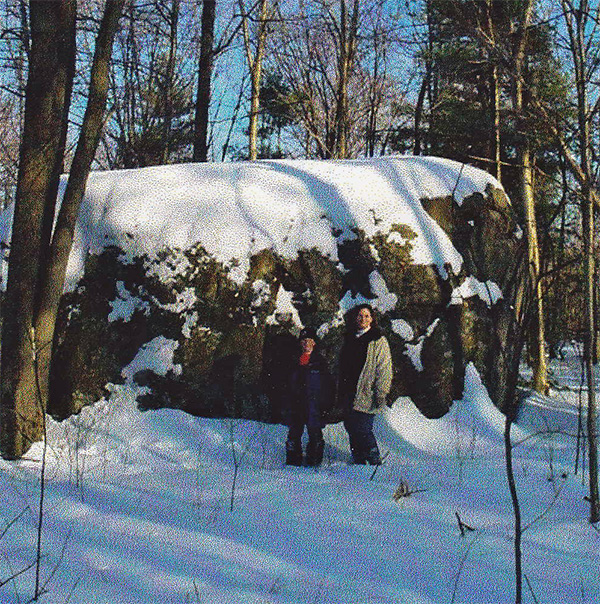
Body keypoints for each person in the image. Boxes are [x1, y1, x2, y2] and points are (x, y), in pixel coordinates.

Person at [338, 304, 393, 465]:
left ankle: (374, 460)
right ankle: (359, 461)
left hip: (367, 391)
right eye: (360, 316)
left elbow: (384, 368)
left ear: (372, 319)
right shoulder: (350, 338)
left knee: (363, 428)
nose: (363, 319)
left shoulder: (378, 340)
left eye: (367, 316)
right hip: (349, 390)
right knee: (350, 426)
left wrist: (381, 392)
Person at [284, 328, 332, 467]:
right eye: (304, 341)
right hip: (296, 404)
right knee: (293, 435)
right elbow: (286, 385)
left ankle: (314, 465)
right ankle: (292, 464)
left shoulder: (320, 362)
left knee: (315, 434)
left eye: (309, 341)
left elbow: (328, 387)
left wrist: (325, 406)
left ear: (314, 343)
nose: (306, 344)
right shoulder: (293, 361)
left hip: (314, 405)